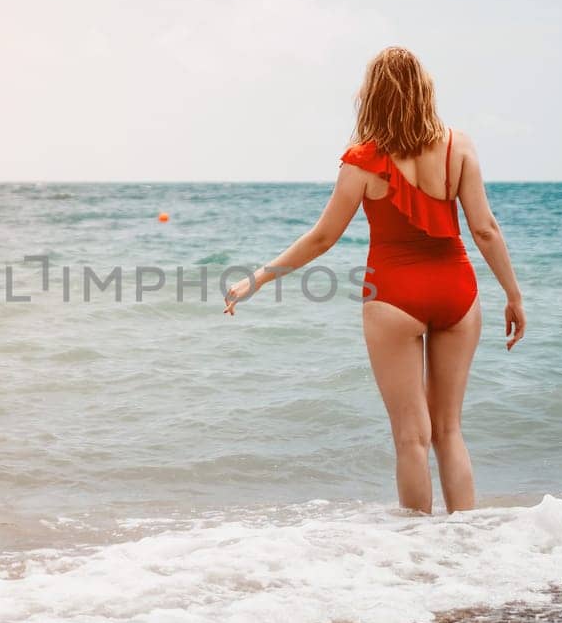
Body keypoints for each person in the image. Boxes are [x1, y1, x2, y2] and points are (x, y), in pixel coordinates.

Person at [222, 46, 525, 513]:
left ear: (371, 97)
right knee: (449, 431)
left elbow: (322, 238)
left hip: (393, 297)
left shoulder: (361, 162)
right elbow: (484, 228)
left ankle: (418, 554)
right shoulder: (459, 146)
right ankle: (472, 549)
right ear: (425, 90)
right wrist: (513, 294)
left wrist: (258, 279)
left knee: (410, 438)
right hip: (457, 291)